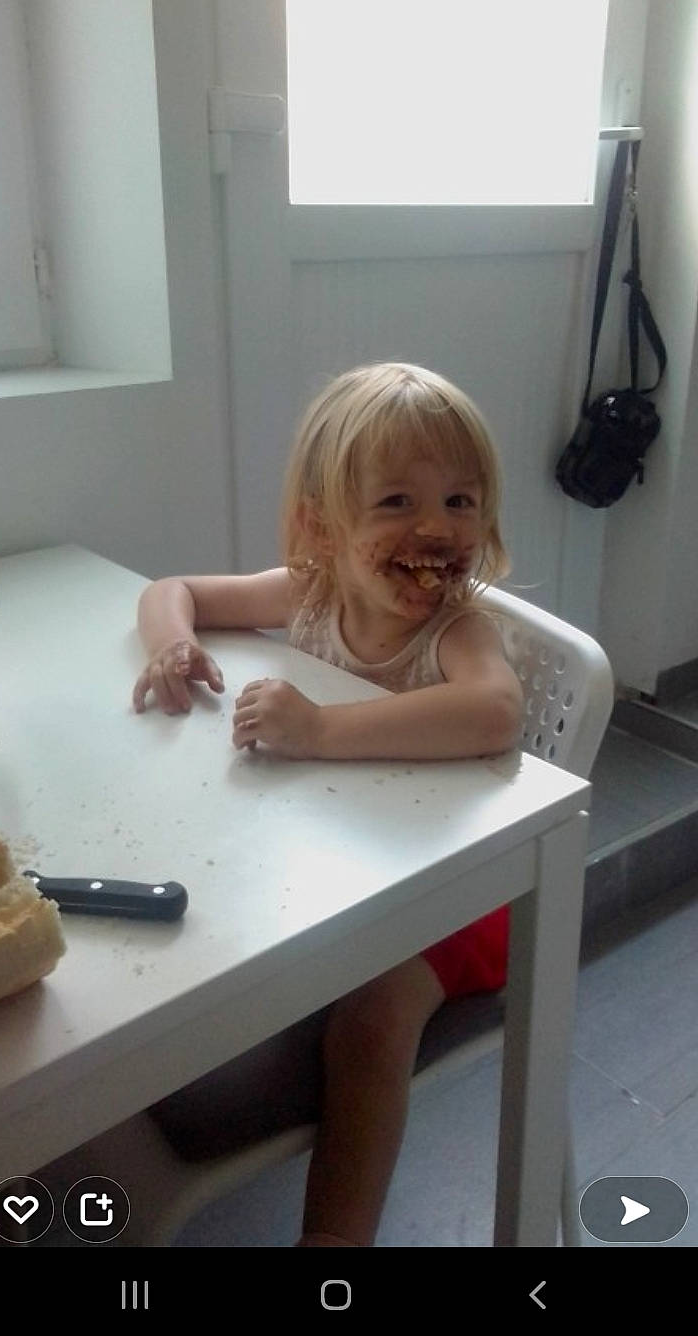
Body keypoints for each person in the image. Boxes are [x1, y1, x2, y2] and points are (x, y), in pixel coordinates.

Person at [132, 360, 523, 1247]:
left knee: (371, 1023)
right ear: (323, 523)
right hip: (346, 869)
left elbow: (497, 711)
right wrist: (174, 647)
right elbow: (170, 592)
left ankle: (336, 1246)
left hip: (452, 900)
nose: (436, 527)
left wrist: (319, 730)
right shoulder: (313, 595)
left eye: (461, 502)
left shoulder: (454, 630)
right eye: (396, 503)